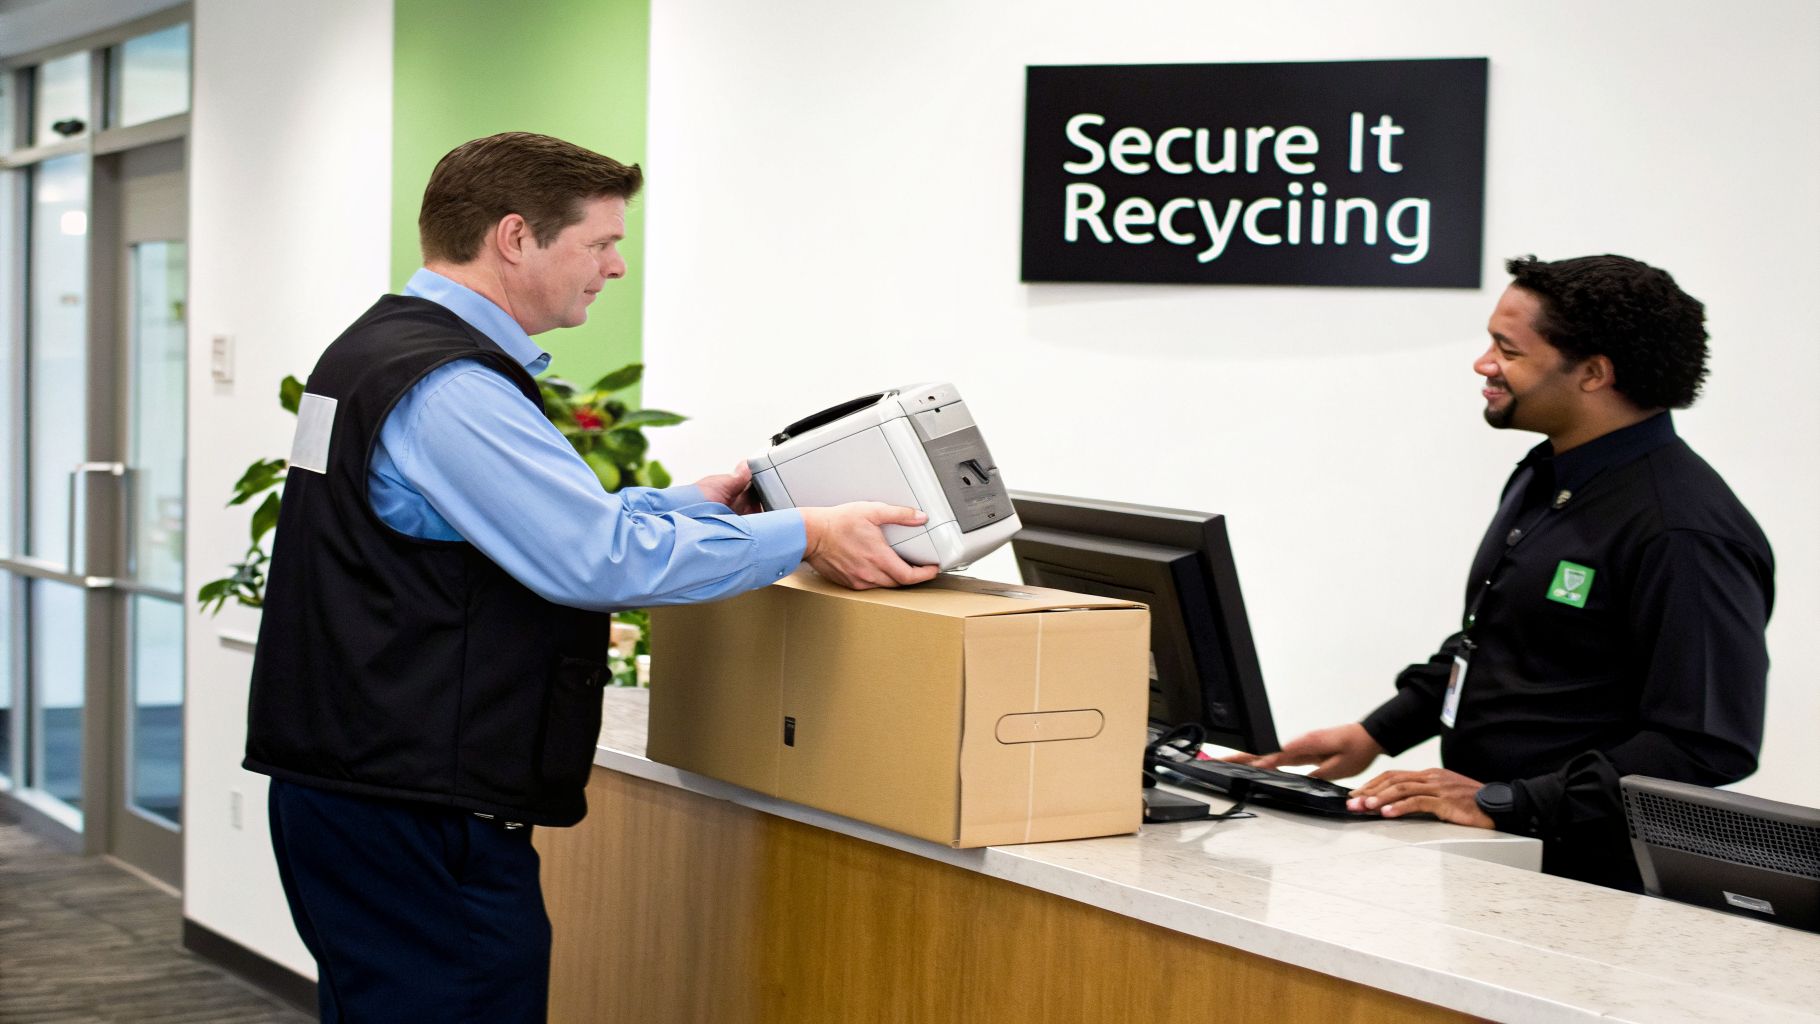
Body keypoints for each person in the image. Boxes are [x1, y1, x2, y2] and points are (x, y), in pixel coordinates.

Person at [242, 132, 938, 1022]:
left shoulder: (374, 351)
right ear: (515, 236)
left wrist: (698, 506)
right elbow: (594, 561)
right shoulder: (449, 385)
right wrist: (803, 534)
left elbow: (491, 529)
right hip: (414, 805)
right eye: (600, 243)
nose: (614, 268)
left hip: (355, 784)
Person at [1232, 254, 1773, 892]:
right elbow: (1500, 642)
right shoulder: (1547, 474)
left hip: (1591, 883)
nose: (1483, 364)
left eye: (1507, 349)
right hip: (1496, 855)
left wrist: (1511, 802)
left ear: (1594, 373)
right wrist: (1378, 731)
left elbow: (1705, 743)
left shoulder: (1682, 532)